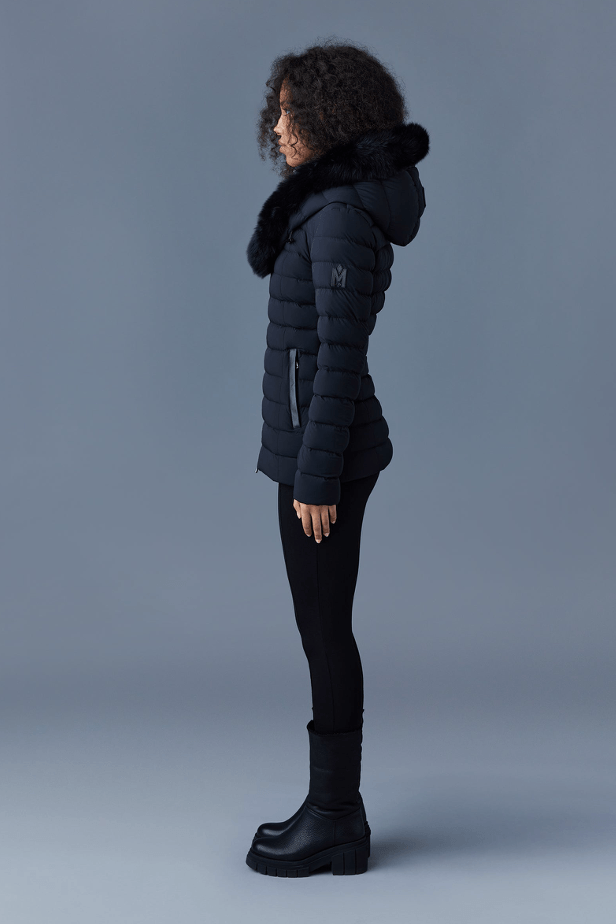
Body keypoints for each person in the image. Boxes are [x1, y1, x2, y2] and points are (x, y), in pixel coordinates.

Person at [245, 39, 429, 877]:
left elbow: (340, 356)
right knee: (318, 627)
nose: (278, 126)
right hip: (314, 444)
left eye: (292, 111)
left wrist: (315, 476)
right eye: (278, 109)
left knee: (324, 632)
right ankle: (332, 812)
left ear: (330, 116)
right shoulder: (325, 202)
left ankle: (335, 818)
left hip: (327, 456)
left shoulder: (342, 214)